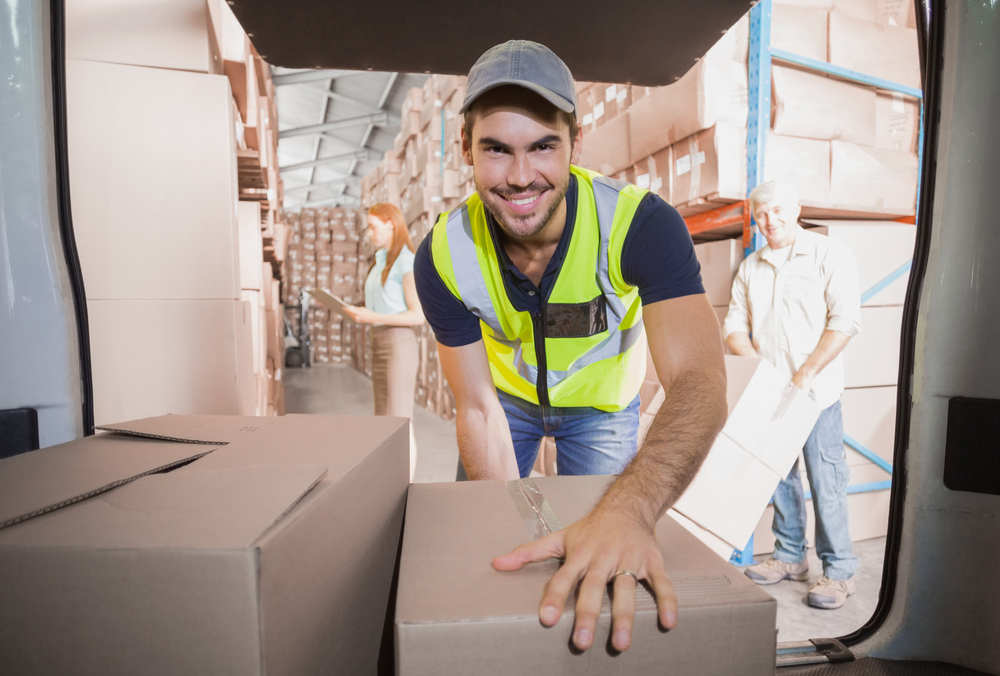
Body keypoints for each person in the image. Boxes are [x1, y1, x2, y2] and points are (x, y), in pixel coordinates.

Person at [412, 40, 728, 652]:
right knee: (494, 550)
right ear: (465, 152)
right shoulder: (443, 256)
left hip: (602, 412)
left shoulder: (639, 224)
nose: (521, 176)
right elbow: (477, 407)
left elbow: (701, 381)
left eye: (543, 147)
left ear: (576, 143)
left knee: (608, 559)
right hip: (507, 408)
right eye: (496, 150)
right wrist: (507, 525)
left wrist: (632, 510)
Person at [723, 179, 861, 610]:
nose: (770, 221)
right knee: (778, 478)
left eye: (779, 211)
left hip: (816, 393)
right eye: (761, 213)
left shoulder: (829, 255)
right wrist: (761, 371)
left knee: (826, 481)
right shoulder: (751, 267)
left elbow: (845, 321)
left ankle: (838, 572)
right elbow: (732, 326)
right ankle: (788, 556)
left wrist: (804, 373)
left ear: (797, 209)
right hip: (771, 395)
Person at [343, 203, 425, 482]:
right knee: (383, 420)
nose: (369, 233)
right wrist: (360, 313)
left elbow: (418, 315)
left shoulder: (405, 262)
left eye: (373, 227)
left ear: (391, 223)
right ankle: (389, 485)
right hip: (379, 342)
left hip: (398, 346)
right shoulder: (380, 261)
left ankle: (407, 487)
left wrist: (372, 316)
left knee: (401, 422)